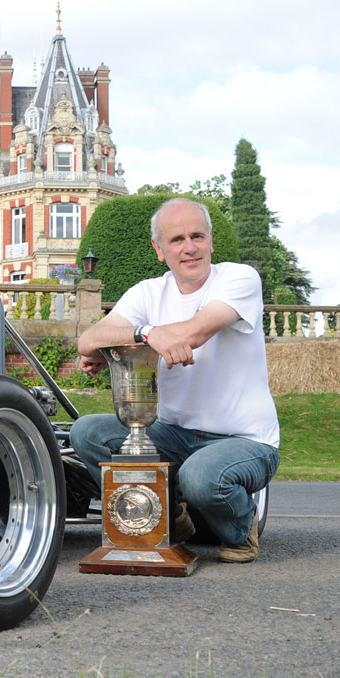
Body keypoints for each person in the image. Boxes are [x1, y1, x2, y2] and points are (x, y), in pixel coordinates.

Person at [70, 197, 279, 562]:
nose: (190, 248)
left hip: (244, 439)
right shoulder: (148, 292)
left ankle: (242, 529)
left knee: (202, 477)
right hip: (171, 432)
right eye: (177, 239)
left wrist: (138, 336)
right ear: (159, 249)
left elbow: (194, 334)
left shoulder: (239, 278)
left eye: (197, 236)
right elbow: (88, 340)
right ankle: (170, 519)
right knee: (87, 433)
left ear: (211, 241)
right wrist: (147, 333)